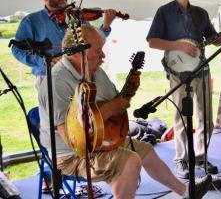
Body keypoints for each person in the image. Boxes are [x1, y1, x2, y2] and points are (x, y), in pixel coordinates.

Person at [38, 25, 212, 199]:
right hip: (72, 155)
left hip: (101, 139)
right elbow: (72, 139)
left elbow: (117, 103)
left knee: (145, 150)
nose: (103, 56)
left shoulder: (95, 71)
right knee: (130, 160)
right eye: (98, 51)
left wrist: (128, 92)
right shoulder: (56, 82)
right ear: (77, 53)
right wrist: (108, 109)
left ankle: (186, 192)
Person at [147, 0, 221, 179]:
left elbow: (214, 39)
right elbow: (153, 41)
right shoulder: (164, 12)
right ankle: (181, 160)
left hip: (201, 70)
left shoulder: (201, 13)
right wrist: (179, 45)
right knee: (182, 118)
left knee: (205, 118)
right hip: (178, 74)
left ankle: (202, 158)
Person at [12, 0, 117, 90]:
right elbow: (17, 50)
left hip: (80, 75)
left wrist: (106, 26)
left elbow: (92, 42)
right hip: (50, 77)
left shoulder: (75, 15)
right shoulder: (31, 21)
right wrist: (44, 61)